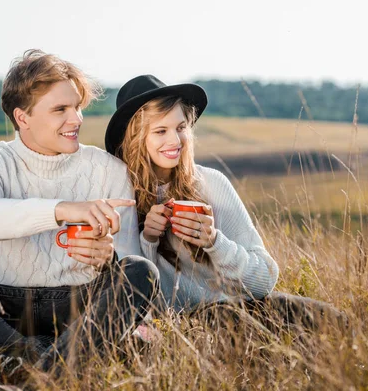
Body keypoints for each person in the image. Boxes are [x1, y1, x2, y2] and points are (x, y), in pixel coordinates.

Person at [0, 51, 159, 381]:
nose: (76, 118)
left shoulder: (108, 170)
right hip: (5, 306)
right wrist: (62, 209)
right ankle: (42, 365)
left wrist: (109, 256)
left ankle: (31, 374)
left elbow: (129, 260)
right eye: (60, 110)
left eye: (77, 106)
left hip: (79, 305)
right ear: (23, 118)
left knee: (142, 272)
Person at [104, 75, 346, 331]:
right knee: (241, 328)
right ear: (136, 138)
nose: (175, 141)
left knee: (336, 323)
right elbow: (142, 300)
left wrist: (213, 241)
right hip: (191, 322)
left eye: (181, 127)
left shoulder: (211, 183)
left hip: (244, 303)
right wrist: (149, 240)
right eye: (161, 131)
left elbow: (264, 279)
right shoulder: (122, 195)